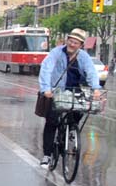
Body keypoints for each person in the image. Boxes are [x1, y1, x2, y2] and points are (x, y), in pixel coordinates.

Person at [38, 28, 101, 166]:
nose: (72, 44)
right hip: (56, 91)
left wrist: (96, 89)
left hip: (75, 90)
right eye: (70, 41)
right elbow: (46, 68)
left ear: (81, 45)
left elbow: (91, 72)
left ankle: (71, 128)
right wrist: (46, 89)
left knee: (80, 110)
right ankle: (47, 155)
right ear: (67, 40)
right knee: (52, 122)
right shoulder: (57, 52)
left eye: (76, 42)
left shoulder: (83, 57)